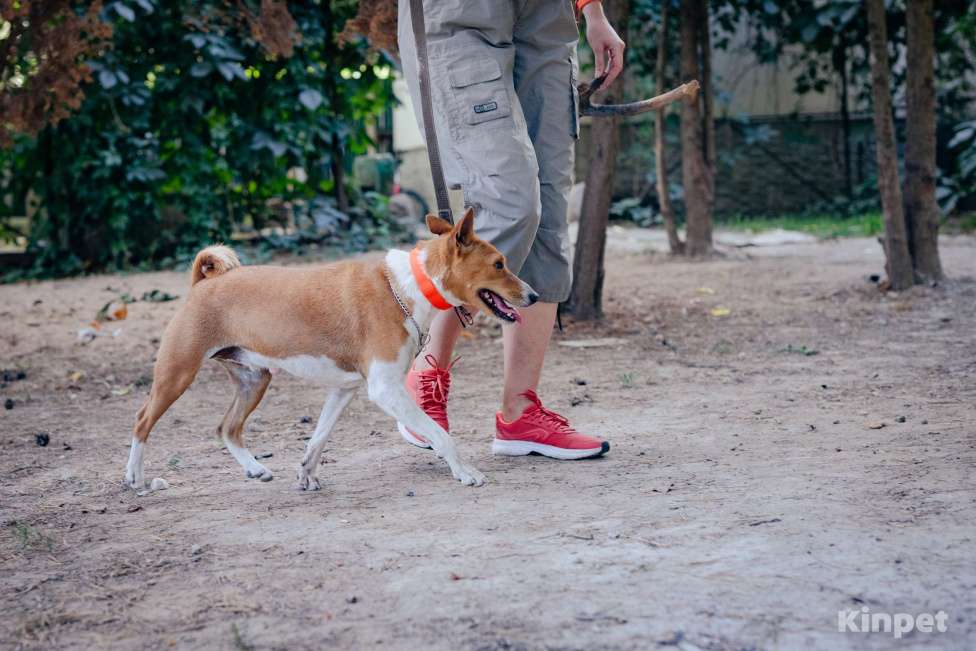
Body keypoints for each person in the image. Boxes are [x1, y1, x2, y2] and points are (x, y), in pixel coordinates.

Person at [397, 0, 625, 460]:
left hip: (548, 19)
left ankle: (520, 413)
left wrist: (593, 10)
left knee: (550, 213)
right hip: (463, 17)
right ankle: (426, 368)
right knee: (512, 203)